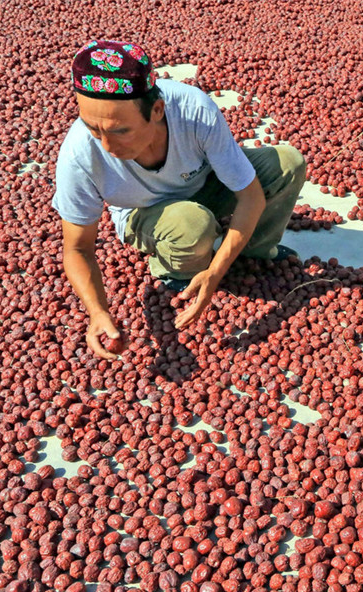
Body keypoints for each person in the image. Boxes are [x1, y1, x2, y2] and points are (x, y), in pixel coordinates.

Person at [52, 40, 306, 359]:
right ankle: (175, 271)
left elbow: (251, 196)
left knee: (287, 164)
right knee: (191, 224)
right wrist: (98, 312)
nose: (105, 145)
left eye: (120, 131)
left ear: (157, 111)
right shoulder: (79, 155)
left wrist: (216, 271)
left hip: (204, 183)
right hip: (141, 212)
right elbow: (76, 248)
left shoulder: (193, 112)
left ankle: (253, 250)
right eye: (92, 128)